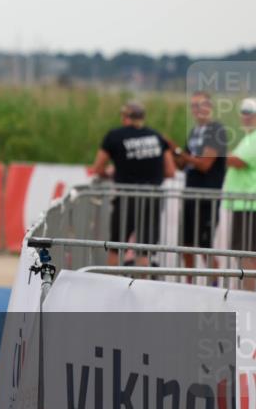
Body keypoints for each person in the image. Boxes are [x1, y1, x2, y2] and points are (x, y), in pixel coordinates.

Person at [91, 101, 176, 266]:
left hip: (126, 196)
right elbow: (171, 171)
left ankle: (113, 286)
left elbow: (98, 167)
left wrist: (110, 173)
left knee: (116, 247)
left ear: (125, 117)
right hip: (152, 197)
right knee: (143, 249)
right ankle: (142, 286)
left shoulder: (114, 136)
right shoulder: (157, 137)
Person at [173, 91, 229, 271]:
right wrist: (174, 153)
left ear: (209, 107)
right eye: (193, 106)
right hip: (190, 195)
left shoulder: (216, 130)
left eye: (200, 105)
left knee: (205, 248)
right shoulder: (194, 131)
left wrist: (184, 155)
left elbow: (205, 164)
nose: (196, 110)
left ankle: (214, 286)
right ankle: (190, 285)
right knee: (186, 246)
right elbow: (182, 164)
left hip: (207, 197)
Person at [227, 99, 256, 288]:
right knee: (245, 253)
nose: (245, 117)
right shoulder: (249, 137)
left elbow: (238, 161)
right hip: (244, 203)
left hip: (249, 204)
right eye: (243, 112)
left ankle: (250, 301)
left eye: (250, 113)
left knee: (247, 254)